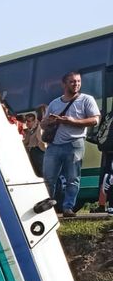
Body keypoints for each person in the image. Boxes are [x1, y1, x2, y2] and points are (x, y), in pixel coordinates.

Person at [41, 72, 101, 216]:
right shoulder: (55, 103)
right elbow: (43, 124)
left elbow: (95, 120)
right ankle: (48, 209)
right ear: (64, 84)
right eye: (72, 81)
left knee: (72, 178)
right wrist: (49, 121)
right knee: (49, 178)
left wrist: (71, 121)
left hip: (75, 143)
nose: (76, 84)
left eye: (78, 81)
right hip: (54, 146)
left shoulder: (87, 99)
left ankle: (68, 208)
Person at [22, 109, 47, 177]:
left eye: (29, 121)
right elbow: (26, 142)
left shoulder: (39, 128)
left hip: (38, 151)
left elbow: (42, 141)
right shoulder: (30, 131)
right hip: (33, 152)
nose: (27, 123)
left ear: (35, 121)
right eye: (26, 121)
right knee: (37, 172)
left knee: (42, 172)